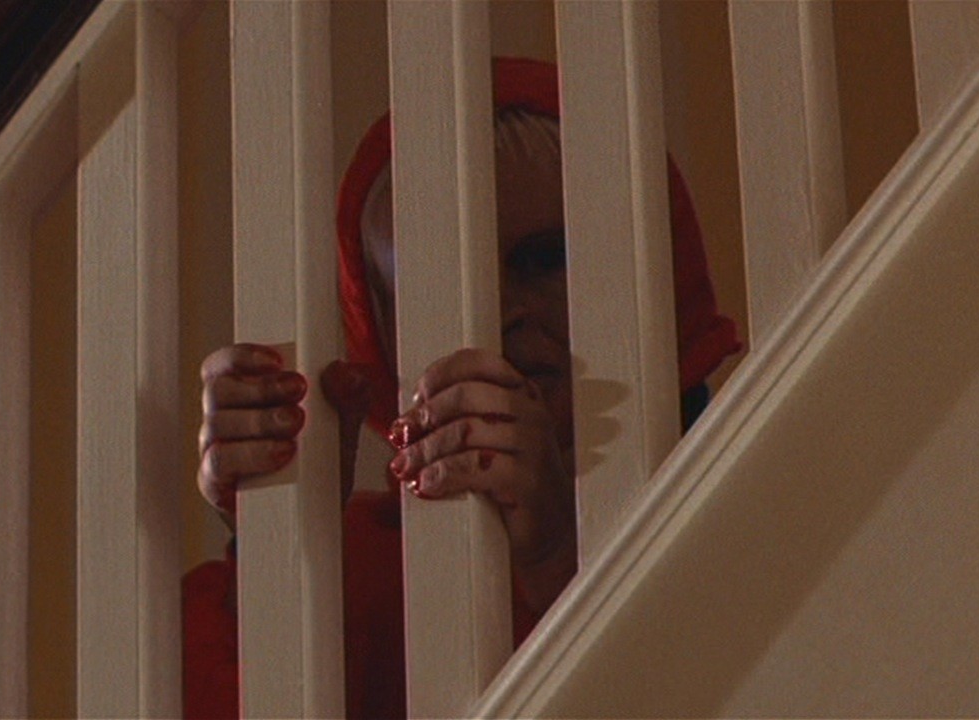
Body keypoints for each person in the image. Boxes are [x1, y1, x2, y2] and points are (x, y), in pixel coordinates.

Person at [183, 57, 740, 719]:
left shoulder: (745, 484)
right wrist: (280, 547)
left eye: (546, 258)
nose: (500, 312)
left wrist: (558, 564)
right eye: (438, 284)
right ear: (382, 335)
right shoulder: (361, 565)